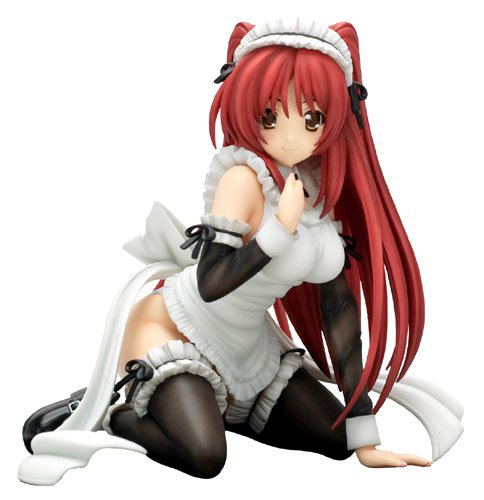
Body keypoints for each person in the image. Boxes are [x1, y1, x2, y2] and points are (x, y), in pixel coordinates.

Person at [18, 19, 463, 485]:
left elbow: (340, 316)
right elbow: (211, 283)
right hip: (177, 330)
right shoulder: (242, 179)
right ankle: (116, 409)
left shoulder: (317, 196)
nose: (290, 138)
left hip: (251, 350)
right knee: (205, 458)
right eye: (270, 116)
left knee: (337, 443)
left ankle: (212, 408)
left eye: (311, 119)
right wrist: (280, 230)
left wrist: (365, 437)